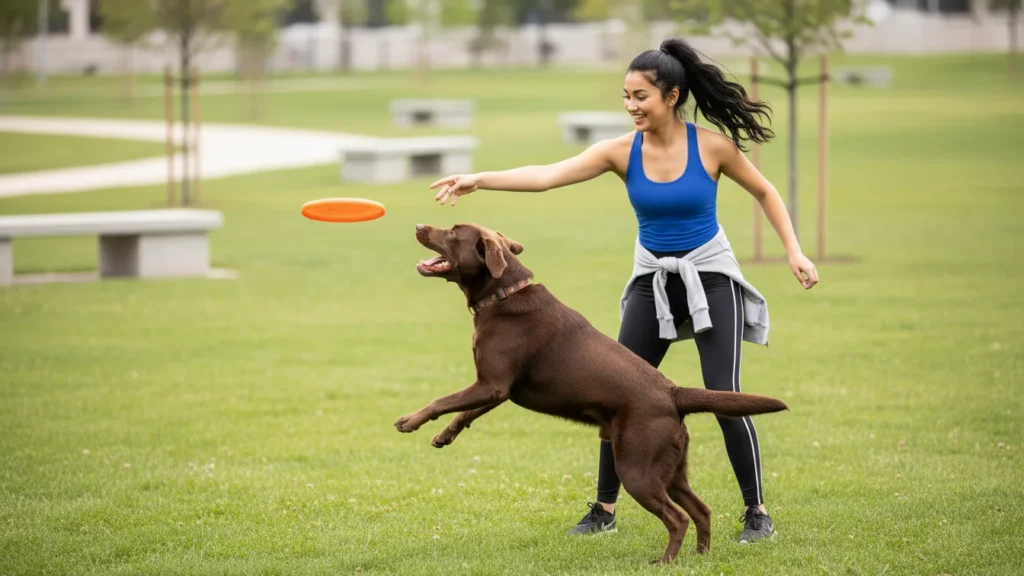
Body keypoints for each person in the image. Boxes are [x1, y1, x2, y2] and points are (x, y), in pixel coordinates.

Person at [428, 37, 819, 544]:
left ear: (672, 97)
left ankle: (756, 512)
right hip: (651, 281)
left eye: (642, 97)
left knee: (725, 393)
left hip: (710, 277)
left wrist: (794, 250)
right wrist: (479, 180)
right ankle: (604, 510)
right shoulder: (620, 151)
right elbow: (548, 176)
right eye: (626, 97)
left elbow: (765, 190)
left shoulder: (711, 146)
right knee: (614, 393)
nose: (632, 106)